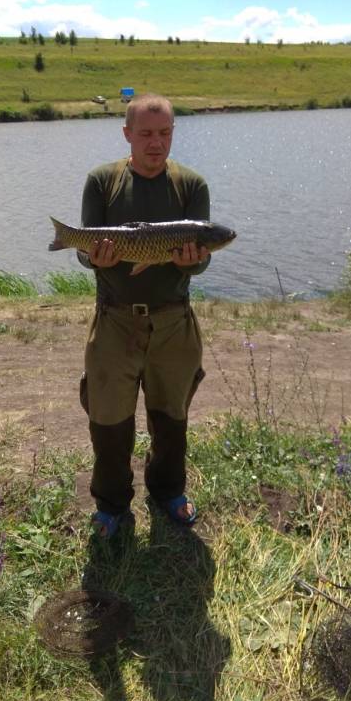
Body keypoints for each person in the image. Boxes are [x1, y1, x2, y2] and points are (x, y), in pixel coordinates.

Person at [78, 93, 211, 538]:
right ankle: (112, 505)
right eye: (147, 134)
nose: (156, 144)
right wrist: (94, 256)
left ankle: (168, 491)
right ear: (128, 134)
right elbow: (86, 257)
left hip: (174, 320)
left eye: (165, 133)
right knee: (109, 419)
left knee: (171, 416)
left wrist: (192, 258)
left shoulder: (191, 185)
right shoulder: (103, 181)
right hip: (115, 319)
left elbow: (201, 262)